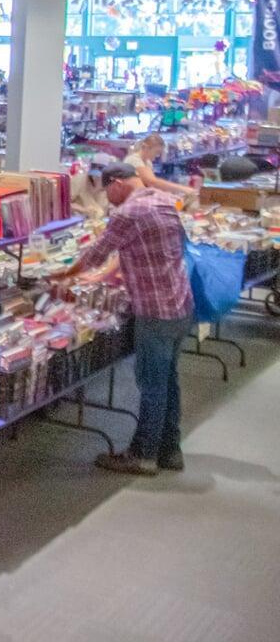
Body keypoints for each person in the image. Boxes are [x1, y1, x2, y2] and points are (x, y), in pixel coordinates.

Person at [53, 162, 193, 475]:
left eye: (107, 192)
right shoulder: (163, 200)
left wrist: (64, 274)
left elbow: (97, 253)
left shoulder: (129, 213)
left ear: (117, 183)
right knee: (169, 380)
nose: (108, 199)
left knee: (152, 384)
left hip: (154, 310)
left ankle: (143, 455)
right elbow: (151, 248)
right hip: (180, 303)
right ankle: (170, 451)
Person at [121, 133, 194, 197]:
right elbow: (152, 182)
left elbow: (151, 186)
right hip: (129, 200)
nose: (158, 155)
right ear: (146, 148)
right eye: (157, 152)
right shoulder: (134, 160)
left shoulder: (147, 163)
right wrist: (182, 189)